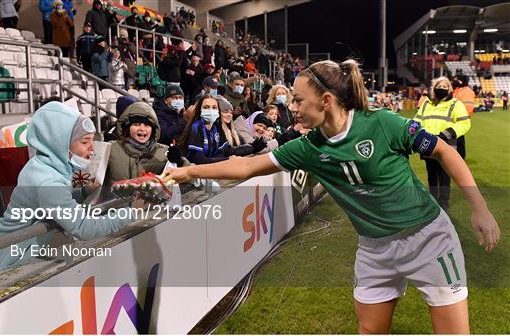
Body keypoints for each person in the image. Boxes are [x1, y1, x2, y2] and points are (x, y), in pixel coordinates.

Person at [164, 59, 500, 334]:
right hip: (374, 250)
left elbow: (444, 151)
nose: (291, 107)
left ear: (325, 101)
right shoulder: (307, 148)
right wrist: (189, 171)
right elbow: (248, 166)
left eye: (297, 100)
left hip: (427, 239)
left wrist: (479, 208)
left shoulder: (382, 123)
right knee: (369, 331)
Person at [0, 102, 139, 278]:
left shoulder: (41, 165)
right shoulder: (49, 182)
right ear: (59, 143)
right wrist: (132, 212)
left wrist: (83, 192)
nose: (92, 148)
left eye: (92, 140)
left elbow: (48, 203)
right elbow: (83, 228)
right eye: (85, 142)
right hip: (4, 263)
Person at [415, 76, 471, 211]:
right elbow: (417, 120)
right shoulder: (426, 104)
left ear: (450, 89)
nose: (442, 89)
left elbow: (464, 123)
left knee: (444, 174)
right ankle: (433, 200)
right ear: (434, 89)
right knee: (431, 174)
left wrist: (446, 134)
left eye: (445, 87)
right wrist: (417, 132)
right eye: (439, 86)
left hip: (446, 145)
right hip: (428, 144)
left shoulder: (456, 104)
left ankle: (444, 202)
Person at [105, 102, 189, 185]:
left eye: (147, 125)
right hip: (117, 198)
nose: (142, 129)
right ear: (127, 128)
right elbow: (94, 179)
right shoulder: (111, 149)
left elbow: (193, 178)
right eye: (136, 124)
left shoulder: (164, 152)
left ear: (153, 129)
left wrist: (179, 163)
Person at [452, 74, 475, 159]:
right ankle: (458, 156)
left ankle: (460, 157)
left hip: (461, 118)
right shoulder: (459, 90)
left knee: (459, 138)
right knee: (456, 138)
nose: (454, 81)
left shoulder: (465, 91)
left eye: (456, 80)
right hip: (456, 117)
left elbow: (468, 106)